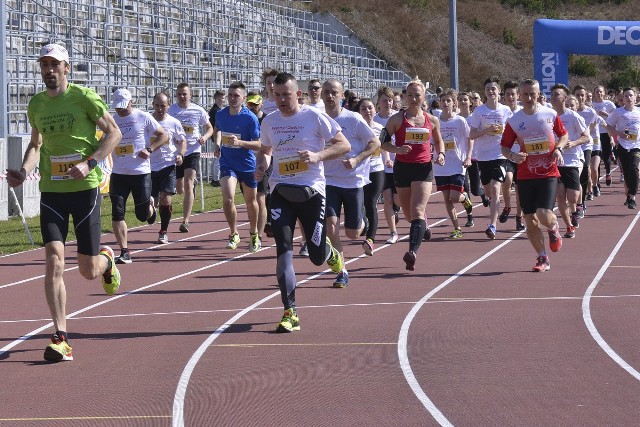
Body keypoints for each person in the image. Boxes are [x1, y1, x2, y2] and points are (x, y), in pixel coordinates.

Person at [5, 44, 122, 362]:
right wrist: (24, 171)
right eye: (43, 64)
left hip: (85, 191)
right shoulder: (37, 104)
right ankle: (61, 336)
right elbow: (35, 144)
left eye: (54, 64)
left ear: (66, 68)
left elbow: (114, 133)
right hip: (52, 193)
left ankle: (107, 260)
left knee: (87, 270)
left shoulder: (84, 98)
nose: (48, 70)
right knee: (54, 260)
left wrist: (91, 162)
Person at [255, 72, 350, 332]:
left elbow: (343, 145)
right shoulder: (270, 121)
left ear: (298, 94)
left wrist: (318, 156)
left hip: (311, 192)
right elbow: (265, 150)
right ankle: (290, 311)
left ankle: (332, 256)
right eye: (277, 95)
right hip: (281, 192)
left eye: (287, 94)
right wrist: (262, 164)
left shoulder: (314, 116)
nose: (282, 100)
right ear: (272, 95)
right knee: (283, 249)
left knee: (317, 257)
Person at [501, 79, 568, 272]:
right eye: (525, 94)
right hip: (525, 174)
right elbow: (504, 147)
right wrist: (513, 155)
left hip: (548, 172)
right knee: (530, 219)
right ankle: (542, 257)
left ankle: (554, 229)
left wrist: (559, 148)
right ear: (519, 96)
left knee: (543, 214)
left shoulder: (550, 114)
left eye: (533, 94)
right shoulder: (514, 120)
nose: (529, 98)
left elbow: (563, 135)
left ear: (538, 94)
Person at [381, 78, 445, 271]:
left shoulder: (431, 120)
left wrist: (441, 154)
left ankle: (412, 253)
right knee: (409, 215)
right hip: (402, 169)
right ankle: (422, 224)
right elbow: (382, 142)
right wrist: (397, 149)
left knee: (417, 210)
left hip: (423, 168)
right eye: (410, 95)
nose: (414, 99)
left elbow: (439, 141)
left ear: (424, 97)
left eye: (418, 95)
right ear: (405, 97)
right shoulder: (397, 119)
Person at [322, 79, 379, 288]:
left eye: (333, 92)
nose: (329, 96)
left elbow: (375, 143)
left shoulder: (353, 119)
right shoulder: (318, 118)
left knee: (353, 233)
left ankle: (361, 220)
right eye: (326, 92)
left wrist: (356, 159)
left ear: (341, 95)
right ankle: (341, 271)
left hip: (353, 182)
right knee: (331, 227)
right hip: (327, 181)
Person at [110, 88, 169, 263]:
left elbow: (164, 135)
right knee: (117, 212)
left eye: (123, 106)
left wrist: (150, 149)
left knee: (142, 216)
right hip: (119, 173)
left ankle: (151, 205)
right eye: (117, 107)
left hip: (140, 172)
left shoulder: (143, 117)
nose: (120, 110)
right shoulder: (112, 120)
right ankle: (124, 251)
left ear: (131, 102)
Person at [213, 82, 262, 252]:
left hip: (247, 165)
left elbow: (259, 145)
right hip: (228, 163)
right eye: (230, 95)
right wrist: (217, 144)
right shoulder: (221, 114)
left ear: (243, 98)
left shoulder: (250, 118)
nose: (233, 99)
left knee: (251, 201)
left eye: (236, 96)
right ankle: (234, 233)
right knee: (228, 199)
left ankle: (254, 233)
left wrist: (239, 142)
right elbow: (217, 128)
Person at [468, 77, 513, 239]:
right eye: (488, 89)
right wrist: (486, 130)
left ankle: (492, 225)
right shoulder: (479, 112)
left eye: (493, 89)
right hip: (483, 157)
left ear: (498, 91)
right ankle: (494, 204)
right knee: (488, 190)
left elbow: (512, 131)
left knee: (495, 188)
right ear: (484, 92)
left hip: (500, 155)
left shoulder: (506, 111)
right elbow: (472, 135)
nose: (491, 91)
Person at [168, 82, 214, 233]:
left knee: (188, 184)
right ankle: (188, 188)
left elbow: (210, 128)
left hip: (193, 150)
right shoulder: (171, 110)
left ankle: (185, 220)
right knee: (179, 188)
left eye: (184, 93)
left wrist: (205, 137)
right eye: (179, 94)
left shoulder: (198, 110)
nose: (182, 96)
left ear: (190, 95)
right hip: (175, 152)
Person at [550, 86, 590, 238]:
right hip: (555, 162)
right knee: (560, 196)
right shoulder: (549, 116)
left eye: (557, 94)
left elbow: (586, 137)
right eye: (552, 94)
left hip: (572, 160)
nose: (553, 97)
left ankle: (574, 211)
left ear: (565, 99)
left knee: (572, 197)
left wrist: (572, 143)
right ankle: (569, 226)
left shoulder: (573, 116)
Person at [433, 89, 474, 238]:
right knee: (447, 199)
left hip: (457, 164)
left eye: (448, 101)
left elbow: (470, 138)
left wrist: (468, 157)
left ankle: (465, 199)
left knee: (455, 197)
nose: (445, 103)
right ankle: (457, 228)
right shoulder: (435, 121)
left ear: (453, 103)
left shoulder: (460, 121)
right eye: (443, 100)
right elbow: (432, 141)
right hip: (441, 165)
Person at [150, 92, 187, 244]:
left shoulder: (174, 122)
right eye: (157, 105)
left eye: (163, 106)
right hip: (148, 167)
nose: (160, 109)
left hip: (167, 165)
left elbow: (182, 141)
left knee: (165, 198)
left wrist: (181, 154)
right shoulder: (147, 120)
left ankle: (163, 231)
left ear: (168, 106)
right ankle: (151, 211)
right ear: (153, 105)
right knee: (152, 202)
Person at [357, 98, 386, 254]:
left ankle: (370, 239)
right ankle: (363, 223)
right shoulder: (355, 128)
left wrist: (388, 158)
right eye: (363, 108)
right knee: (360, 203)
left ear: (375, 110)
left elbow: (385, 146)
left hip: (376, 169)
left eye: (369, 108)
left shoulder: (381, 128)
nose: (367, 111)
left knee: (371, 201)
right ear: (359, 111)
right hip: (360, 171)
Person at [606, 87, 640, 209]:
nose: (629, 98)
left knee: (634, 169)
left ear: (636, 97)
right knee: (626, 173)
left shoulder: (639, 112)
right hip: (623, 146)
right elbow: (608, 126)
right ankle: (629, 195)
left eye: (631, 95)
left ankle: (632, 197)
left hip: (636, 146)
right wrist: (619, 134)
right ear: (623, 99)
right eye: (626, 96)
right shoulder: (618, 112)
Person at [374, 86, 401, 243]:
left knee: (399, 200)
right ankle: (393, 232)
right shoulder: (375, 120)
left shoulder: (399, 118)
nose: (388, 103)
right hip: (382, 166)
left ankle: (414, 214)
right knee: (388, 199)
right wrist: (385, 158)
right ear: (379, 101)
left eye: (390, 100)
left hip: (400, 164)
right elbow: (378, 142)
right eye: (384, 100)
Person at [246, 91, 272, 239]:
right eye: (250, 104)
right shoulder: (244, 119)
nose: (253, 107)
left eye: (256, 104)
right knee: (251, 199)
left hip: (266, 160)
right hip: (248, 162)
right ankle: (255, 228)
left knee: (260, 197)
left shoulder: (267, 120)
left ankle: (258, 235)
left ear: (261, 104)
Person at [572, 84, 599, 217]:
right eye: (577, 95)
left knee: (585, 169)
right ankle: (576, 202)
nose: (580, 97)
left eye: (582, 95)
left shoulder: (591, 112)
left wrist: (583, 136)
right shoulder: (570, 111)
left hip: (586, 145)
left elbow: (592, 129)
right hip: (572, 147)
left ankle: (581, 204)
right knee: (575, 176)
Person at [501, 80, 525, 231]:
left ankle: (519, 217)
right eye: (508, 94)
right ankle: (508, 206)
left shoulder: (523, 112)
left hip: (522, 154)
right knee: (507, 180)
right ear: (504, 97)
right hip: (507, 153)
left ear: (518, 96)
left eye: (513, 94)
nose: (511, 97)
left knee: (519, 189)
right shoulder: (501, 112)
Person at [593, 85, 617, 187]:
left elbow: (616, 116)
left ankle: (608, 173)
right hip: (595, 133)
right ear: (594, 93)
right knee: (597, 155)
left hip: (606, 132)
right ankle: (596, 180)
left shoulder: (609, 104)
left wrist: (606, 114)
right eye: (597, 92)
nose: (599, 93)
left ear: (604, 93)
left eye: (601, 92)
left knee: (606, 155)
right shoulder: (591, 105)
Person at [208, 89, 226, 187]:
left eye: (223, 98)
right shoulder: (215, 111)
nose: (222, 100)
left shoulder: (218, 110)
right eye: (221, 98)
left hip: (220, 136)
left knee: (218, 158)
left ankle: (216, 178)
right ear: (216, 99)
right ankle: (215, 179)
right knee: (218, 158)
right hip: (217, 137)